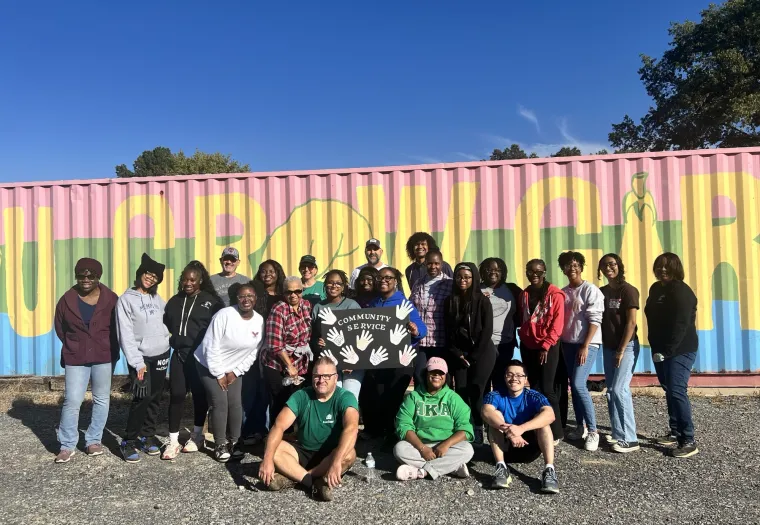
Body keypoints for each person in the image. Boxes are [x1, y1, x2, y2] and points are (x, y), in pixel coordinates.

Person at [259, 356, 359, 502]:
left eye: (326, 376)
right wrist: (267, 460)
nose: (321, 380)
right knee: (272, 446)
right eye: (317, 376)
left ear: (336, 377)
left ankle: (293, 477)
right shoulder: (301, 395)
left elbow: (352, 427)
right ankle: (313, 483)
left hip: (330, 454)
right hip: (302, 452)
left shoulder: (345, 397)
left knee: (350, 454)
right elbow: (278, 426)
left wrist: (336, 461)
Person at [53, 258, 119, 463]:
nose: (86, 279)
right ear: (76, 276)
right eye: (81, 275)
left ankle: (93, 440)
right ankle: (67, 445)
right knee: (72, 400)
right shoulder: (67, 300)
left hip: (103, 355)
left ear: (98, 277)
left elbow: (118, 327)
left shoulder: (111, 298)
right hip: (76, 356)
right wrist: (74, 344)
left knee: (101, 398)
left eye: (91, 276)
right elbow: (60, 327)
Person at [195, 282, 265, 462]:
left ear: (255, 299)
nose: (246, 299)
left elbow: (254, 352)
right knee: (220, 402)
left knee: (235, 403)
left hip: (234, 368)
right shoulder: (224, 315)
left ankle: (235, 441)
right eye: (242, 296)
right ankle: (219, 444)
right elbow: (210, 346)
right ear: (236, 299)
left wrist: (235, 372)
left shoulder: (259, 320)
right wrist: (219, 374)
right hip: (209, 364)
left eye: (250, 296)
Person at [161, 261, 223, 460]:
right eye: (184, 279)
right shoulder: (174, 301)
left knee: (198, 395)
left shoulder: (211, 302)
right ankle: (172, 440)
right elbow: (167, 322)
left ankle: (197, 435)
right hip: (179, 354)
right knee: (177, 394)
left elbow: (220, 328)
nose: (187, 283)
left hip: (199, 357)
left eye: (192, 280)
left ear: (200, 281)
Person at [116, 253, 171, 463]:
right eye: (148, 274)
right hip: (142, 358)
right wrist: (136, 362)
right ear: (140, 274)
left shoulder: (157, 299)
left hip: (162, 354)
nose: (151, 278)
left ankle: (147, 436)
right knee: (141, 398)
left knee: (155, 397)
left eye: (155, 276)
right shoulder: (126, 300)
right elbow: (125, 334)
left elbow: (168, 319)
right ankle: (128, 440)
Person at [644, 252, 699, 458]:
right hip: (661, 350)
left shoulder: (682, 292)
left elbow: (682, 325)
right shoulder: (656, 288)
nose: (663, 270)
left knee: (677, 390)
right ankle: (675, 431)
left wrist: (667, 351)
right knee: (669, 389)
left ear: (676, 268)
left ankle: (688, 439)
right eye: (659, 266)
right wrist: (656, 346)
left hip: (680, 350)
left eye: (667, 266)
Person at [363, 267, 427, 440]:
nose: (383, 280)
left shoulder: (404, 304)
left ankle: (394, 435)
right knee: (378, 395)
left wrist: (415, 330)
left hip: (401, 360)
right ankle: (381, 432)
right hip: (379, 360)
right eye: (381, 277)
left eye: (388, 278)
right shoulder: (374, 303)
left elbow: (422, 329)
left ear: (395, 281)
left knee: (393, 397)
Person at [482, 360, 559, 494]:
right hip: (505, 448)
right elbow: (485, 412)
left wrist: (521, 429)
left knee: (542, 421)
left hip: (530, 448)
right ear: (505, 377)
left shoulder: (534, 396)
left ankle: (549, 470)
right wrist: (511, 431)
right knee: (495, 418)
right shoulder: (495, 395)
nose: (514, 379)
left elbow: (550, 414)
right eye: (510, 375)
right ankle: (501, 468)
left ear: (525, 379)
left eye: (519, 375)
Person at [393, 357, 473, 480]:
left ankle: (421, 472)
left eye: (441, 372)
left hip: (447, 446)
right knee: (399, 449)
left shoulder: (453, 398)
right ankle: (451, 467)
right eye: (433, 371)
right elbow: (403, 425)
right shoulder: (413, 397)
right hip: (420, 445)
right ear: (426, 373)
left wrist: (446, 445)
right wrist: (422, 448)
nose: (437, 375)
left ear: (446, 376)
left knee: (467, 449)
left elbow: (466, 429)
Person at [444, 262, 497, 445]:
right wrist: (457, 353)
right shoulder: (450, 301)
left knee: (476, 390)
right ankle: (463, 427)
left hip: (481, 352)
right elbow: (448, 331)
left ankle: (478, 427)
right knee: (460, 390)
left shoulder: (482, 300)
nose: (463, 280)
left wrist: (473, 356)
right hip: (460, 354)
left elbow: (487, 331)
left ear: (474, 278)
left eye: (467, 277)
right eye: (459, 277)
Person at [557, 251, 604, 451]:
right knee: (574, 386)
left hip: (587, 344)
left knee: (578, 384)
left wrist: (585, 345)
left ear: (582, 267)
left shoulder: (590, 290)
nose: (572, 268)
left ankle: (593, 431)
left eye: (576, 264)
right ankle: (580, 426)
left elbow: (595, 319)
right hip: (568, 343)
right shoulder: (563, 292)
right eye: (568, 265)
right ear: (563, 269)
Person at [518, 259, 566, 441]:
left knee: (547, 388)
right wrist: (523, 336)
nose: (534, 274)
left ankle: (557, 432)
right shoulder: (524, 294)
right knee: (535, 388)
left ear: (544, 272)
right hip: (529, 346)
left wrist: (546, 345)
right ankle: (539, 427)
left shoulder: (555, 294)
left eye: (538, 271)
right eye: (530, 271)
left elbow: (557, 324)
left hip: (548, 346)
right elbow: (523, 319)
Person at [598, 253, 641, 453]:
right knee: (610, 392)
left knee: (619, 390)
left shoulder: (629, 290)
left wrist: (621, 350)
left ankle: (630, 439)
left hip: (626, 347)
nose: (609, 268)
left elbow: (631, 323)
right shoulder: (602, 292)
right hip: (609, 348)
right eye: (604, 265)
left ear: (619, 266)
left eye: (612, 264)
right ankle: (618, 433)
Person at [262, 276, 313, 423]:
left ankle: (291, 433)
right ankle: (277, 436)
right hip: (277, 363)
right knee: (280, 401)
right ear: (283, 293)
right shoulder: (279, 309)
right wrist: (289, 366)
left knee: (295, 400)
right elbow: (275, 344)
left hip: (299, 362)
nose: (293, 295)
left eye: (297, 291)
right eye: (288, 292)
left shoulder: (306, 305)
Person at [311, 270, 363, 401]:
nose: (334, 286)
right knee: (333, 398)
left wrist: (352, 362)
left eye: (338, 283)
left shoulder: (352, 305)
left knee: (350, 398)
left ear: (344, 286)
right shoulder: (318, 307)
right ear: (325, 284)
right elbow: (312, 335)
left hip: (352, 363)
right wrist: (318, 342)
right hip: (329, 362)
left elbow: (361, 335)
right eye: (330, 282)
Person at [410, 249, 452, 389]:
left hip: (441, 339)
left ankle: (443, 407)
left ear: (442, 264)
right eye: (429, 263)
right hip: (420, 341)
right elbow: (411, 307)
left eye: (436, 263)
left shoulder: (450, 284)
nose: (433, 267)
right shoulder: (418, 283)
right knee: (419, 375)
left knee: (442, 377)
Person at [479, 257, 521, 392]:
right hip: (484, 344)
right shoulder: (475, 290)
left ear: (503, 272)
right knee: (483, 381)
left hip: (505, 344)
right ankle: (482, 412)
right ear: (482, 272)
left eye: (497, 269)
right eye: (489, 269)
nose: (493, 272)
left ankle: (499, 412)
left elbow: (523, 310)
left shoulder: (512, 289)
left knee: (501, 381)